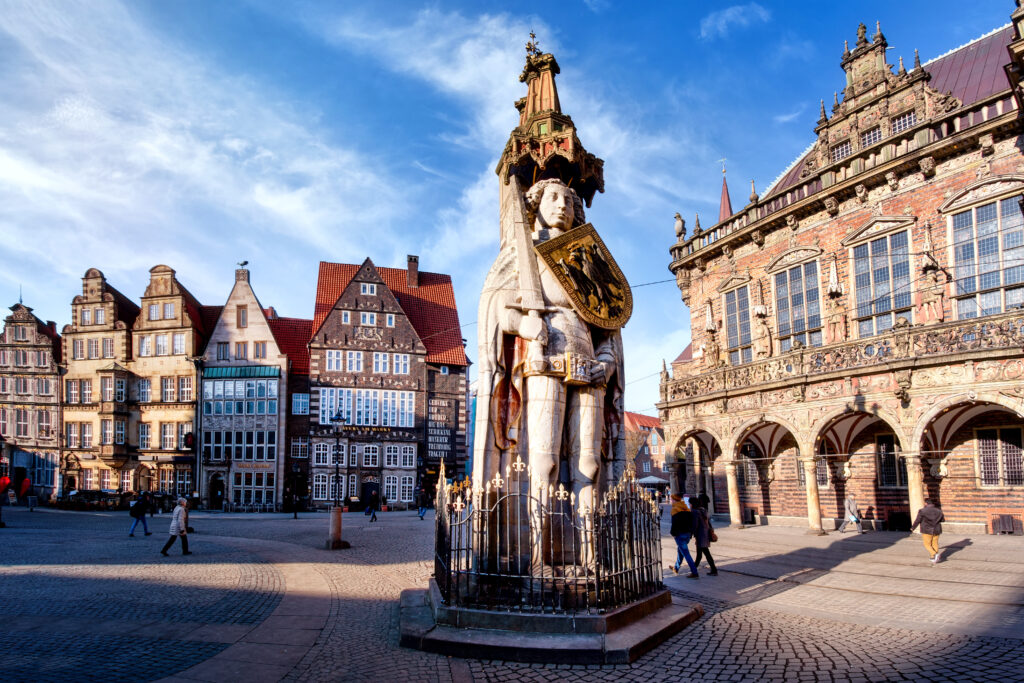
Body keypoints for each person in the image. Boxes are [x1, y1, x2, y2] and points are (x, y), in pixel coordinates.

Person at [472, 176, 627, 550]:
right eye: (553, 197)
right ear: (536, 205)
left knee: (588, 463)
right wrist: (524, 323)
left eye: (569, 200)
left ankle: (590, 552)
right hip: (544, 363)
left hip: (590, 368)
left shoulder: (586, 259)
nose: (562, 205)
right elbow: (497, 308)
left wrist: (606, 362)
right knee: (542, 463)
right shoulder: (526, 255)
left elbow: (607, 324)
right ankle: (538, 553)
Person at [669, 494, 698, 578]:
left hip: (680, 535)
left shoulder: (674, 510)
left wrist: (673, 534)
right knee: (680, 551)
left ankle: (694, 572)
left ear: (674, 500)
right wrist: (691, 533)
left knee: (686, 554)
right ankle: (676, 568)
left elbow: (674, 524)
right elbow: (691, 522)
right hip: (687, 534)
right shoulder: (686, 508)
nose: (671, 501)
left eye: (671, 500)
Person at [910, 498, 945, 564]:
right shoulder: (939, 510)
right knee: (935, 543)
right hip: (937, 529)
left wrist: (913, 527)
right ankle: (933, 557)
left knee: (927, 544)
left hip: (926, 530)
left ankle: (934, 554)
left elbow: (918, 520)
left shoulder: (922, 511)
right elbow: (943, 520)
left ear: (926, 503)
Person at [692, 498, 718, 576]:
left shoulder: (695, 512)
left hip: (700, 535)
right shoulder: (703, 510)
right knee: (704, 553)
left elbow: (695, 525)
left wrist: (692, 533)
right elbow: (708, 522)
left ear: (693, 504)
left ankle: (694, 571)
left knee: (701, 554)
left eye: (690, 503)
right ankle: (713, 570)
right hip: (705, 533)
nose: (689, 505)